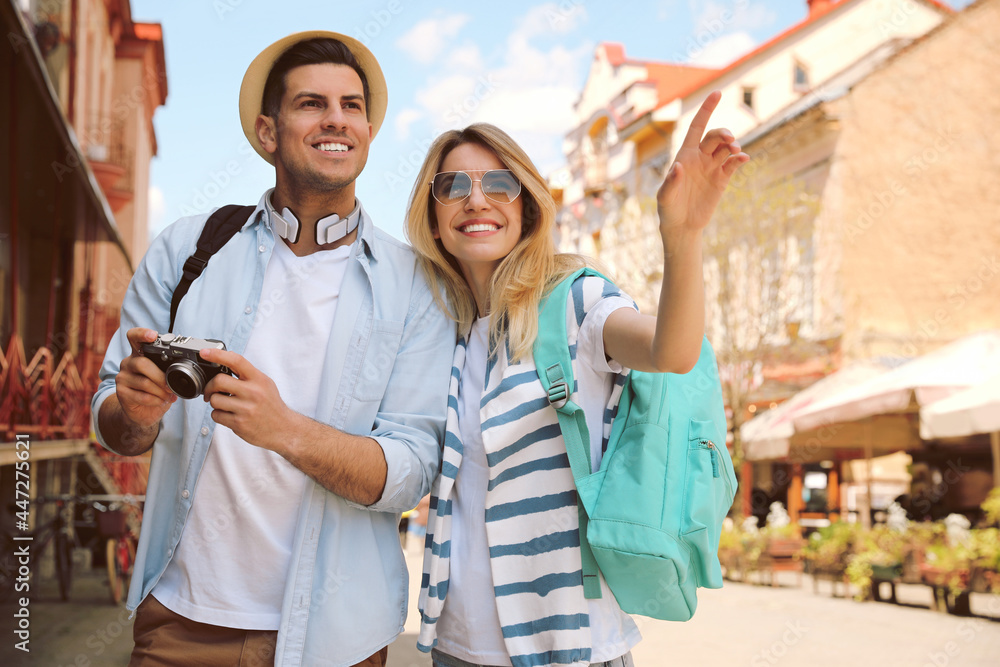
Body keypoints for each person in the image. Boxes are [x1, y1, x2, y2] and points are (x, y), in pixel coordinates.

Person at [91, 31, 455, 667]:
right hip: (180, 622)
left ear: (368, 132)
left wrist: (285, 429)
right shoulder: (187, 251)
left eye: (351, 106)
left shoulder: (418, 286)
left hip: (338, 637)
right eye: (312, 103)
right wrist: (137, 414)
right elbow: (113, 423)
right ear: (267, 132)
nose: (336, 119)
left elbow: (412, 472)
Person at [406, 93, 748, 667]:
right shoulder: (444, 333)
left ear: (527, 208)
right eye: (453, 186)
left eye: (499, 184)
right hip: (456, 646)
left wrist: (683, 236)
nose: (476, 199)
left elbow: (672, 350)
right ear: (434, 220)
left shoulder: (573, 302)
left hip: (570, 646)